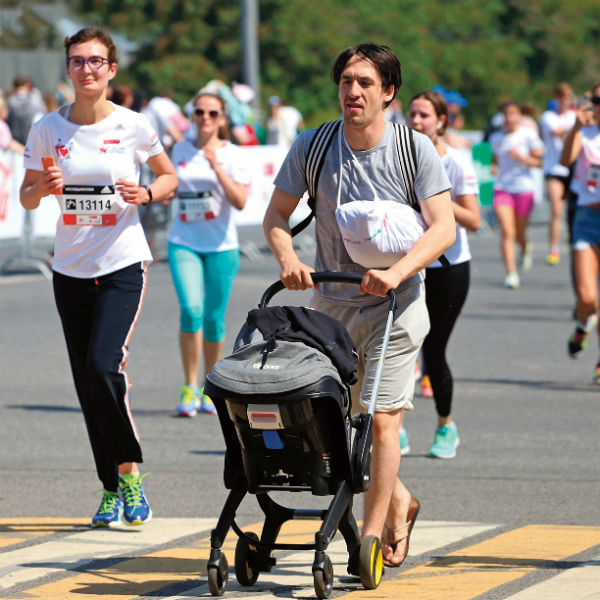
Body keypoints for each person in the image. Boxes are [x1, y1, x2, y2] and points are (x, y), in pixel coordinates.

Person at [263, 43, 455, 568]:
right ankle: (399, 502)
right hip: (331, 306)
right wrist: (288, 257)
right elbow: (276, 216)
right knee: (339, 421)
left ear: (388, 92)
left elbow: (444, 227)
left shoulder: (415, 150)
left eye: (366, 83)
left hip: (398, 304)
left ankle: (369, 537)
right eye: (347, 81)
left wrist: (395, 272)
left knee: (381, 421)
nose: (353, 91)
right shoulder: (314, 145)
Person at [19, 28, 178, 528]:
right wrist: (42, 189)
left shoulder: (133, 125)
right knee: (87, 381)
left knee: (104, 365)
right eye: (77, 61)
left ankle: (131, 475)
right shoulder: (47, 129)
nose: (86, 69)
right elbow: (24, 197)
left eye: (96, 61)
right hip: (69, 269)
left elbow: (169, 177)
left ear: (111, 69)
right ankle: (112, 486)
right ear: (67, 69)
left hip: (122, 265)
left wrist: (147, 194)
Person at [403, 90, 480, 458]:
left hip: (449, 267)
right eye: (412, 115)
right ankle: (395, 428)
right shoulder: (400, 157)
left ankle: (445, 425)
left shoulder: (457, 162)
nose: (417, 122)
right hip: (407, 265)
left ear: (441, 122)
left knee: (433, 350)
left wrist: (436, 199)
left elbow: (474, 220)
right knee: (401, 346)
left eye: (424, 116)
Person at [168, 92, 249, 417]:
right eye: (199, 111)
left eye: (212, 112)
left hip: (222, 246)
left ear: (222, 118)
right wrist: (164, 193)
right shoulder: (180, 150)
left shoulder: (233, 154)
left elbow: (241, 200)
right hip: (184, 241)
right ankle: (189, 386)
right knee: (191, 310)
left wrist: (217, 167)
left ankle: (209, 385)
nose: (205, 117)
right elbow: (170, 184)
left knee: (214, 319)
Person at [560, 82, 600, 382]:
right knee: (587, 297)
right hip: (587, 219)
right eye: (597, 99)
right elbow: (565, 161)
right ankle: (583, 325)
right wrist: (576, 123)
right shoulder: (585, 134)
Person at [489, 102, 543, 289]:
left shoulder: (528, 135)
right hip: (503, 188)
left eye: (513, 114)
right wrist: (494, 166)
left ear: (520, 116)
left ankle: (525, 245)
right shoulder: (496, 137)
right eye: (507, 114)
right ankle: (511, 273)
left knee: (519, 232)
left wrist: (520, 157)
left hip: (524, 188)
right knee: (507, 231)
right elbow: (495, 159)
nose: (510, 118)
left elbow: (538, 162)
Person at [539, 83, 576, 265]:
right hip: (554, 169)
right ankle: (554, 248)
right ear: (556, 99)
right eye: (562, 97)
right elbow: (557, 132)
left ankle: (573, 242)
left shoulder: (574, 116)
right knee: (556, 209)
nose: (565, 101)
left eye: (568, 98)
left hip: (573, 168)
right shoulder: (548, 117)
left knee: (574, 210)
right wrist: (576, 127)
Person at [6, 76, 47, 145]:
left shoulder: (10, 100)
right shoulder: (34, 98)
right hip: (32, 138)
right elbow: (43, 113)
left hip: (14, 139)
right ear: (27, 85)